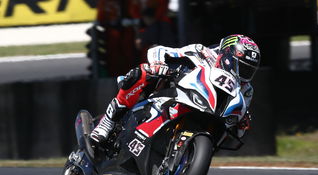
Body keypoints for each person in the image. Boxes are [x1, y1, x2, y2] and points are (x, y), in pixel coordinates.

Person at [90, 34, 261, 144]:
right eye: (242, 68)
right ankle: (108, 122)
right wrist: (159, 65)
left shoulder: (246, 90)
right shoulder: (202, 53)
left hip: (205, 115)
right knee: (144, 72)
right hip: (169, 93)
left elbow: (236, 130)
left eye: (249, 71)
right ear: (227, 57)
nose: (244, 75)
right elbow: (158, 51)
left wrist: (242, 123)